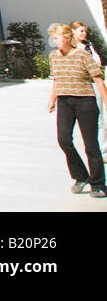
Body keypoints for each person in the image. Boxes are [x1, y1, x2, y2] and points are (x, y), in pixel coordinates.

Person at [47, 22, 107, 197]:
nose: (54, 41)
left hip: (85, 102)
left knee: (91, 145)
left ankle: (98, 184)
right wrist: (52, 99)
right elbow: (56, 79)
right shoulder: (53, 56)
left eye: (56, 38)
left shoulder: (83, 56)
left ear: (67, 38)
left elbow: (98, 80)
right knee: (64, 139)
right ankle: (81, 176)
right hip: (65, 102)